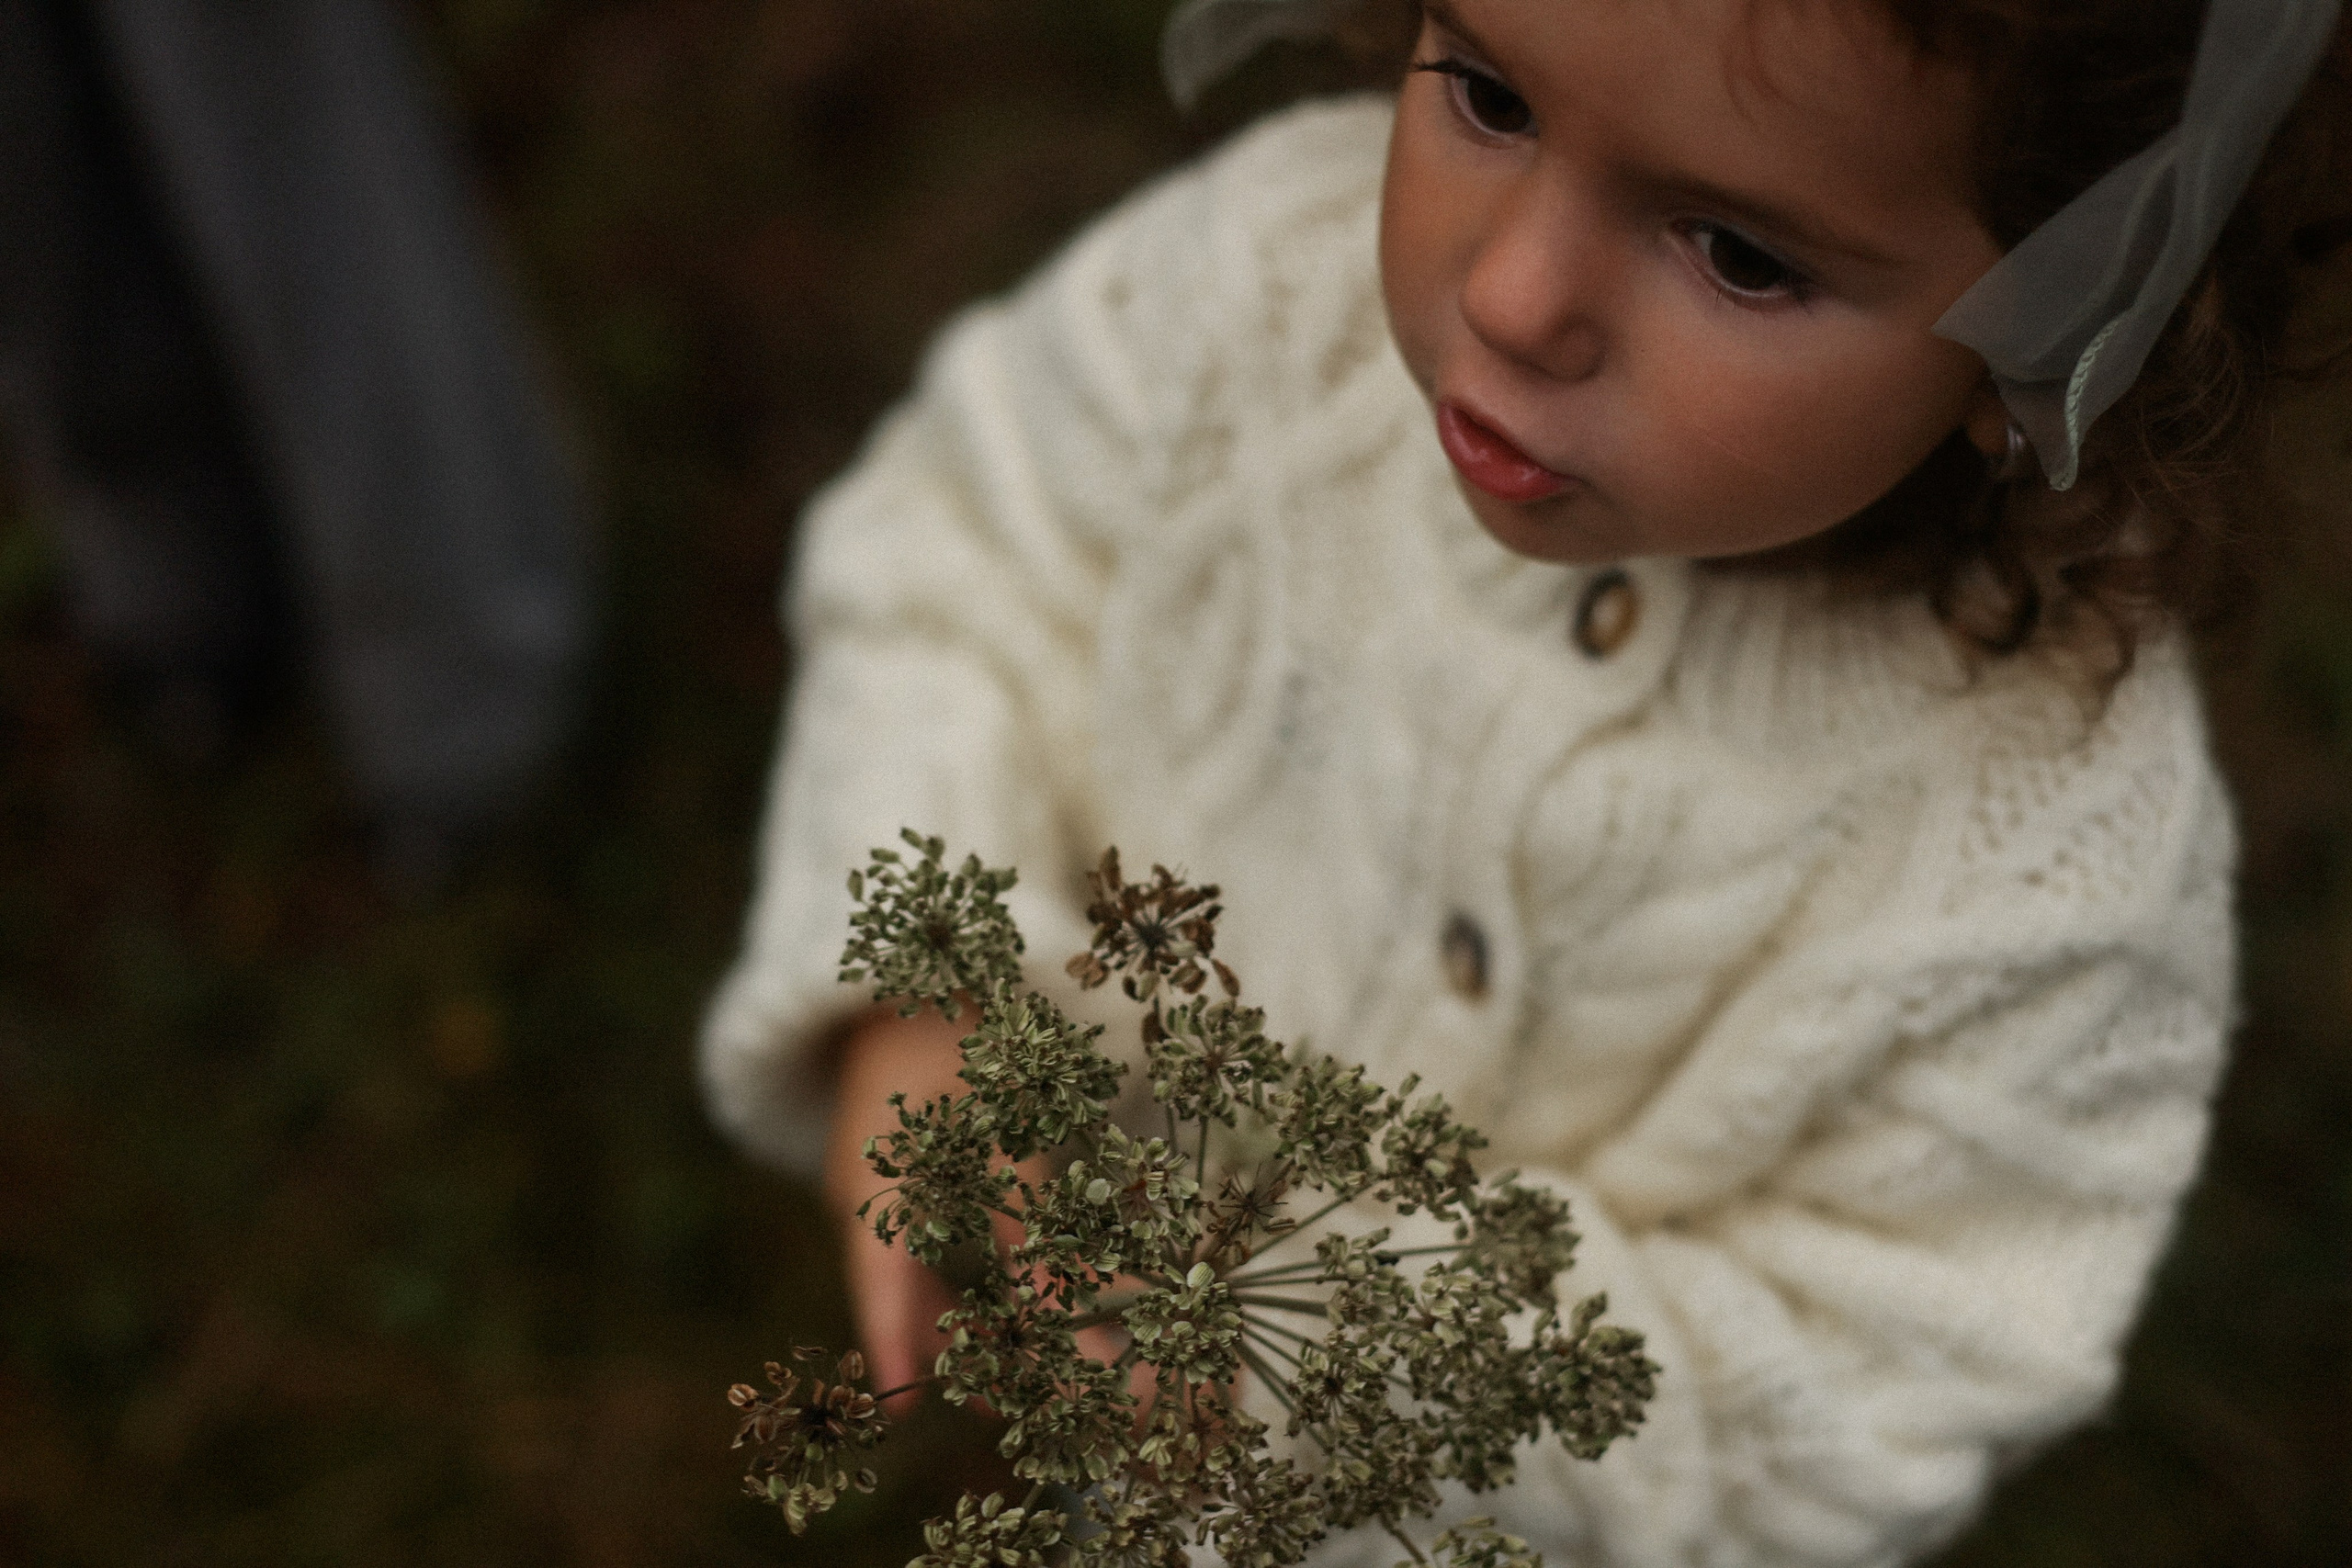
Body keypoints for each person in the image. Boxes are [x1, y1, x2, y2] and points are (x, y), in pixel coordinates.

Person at [703, 0, 2352, 1562]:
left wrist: (1339, 1354)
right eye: (1489, 95)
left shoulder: (2042, 843)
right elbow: (962, 569)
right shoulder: (1254, 294)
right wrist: (926, 983)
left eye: (1741, 255)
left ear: (2053, 315)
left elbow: (1900, 1352)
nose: (1512, 294)